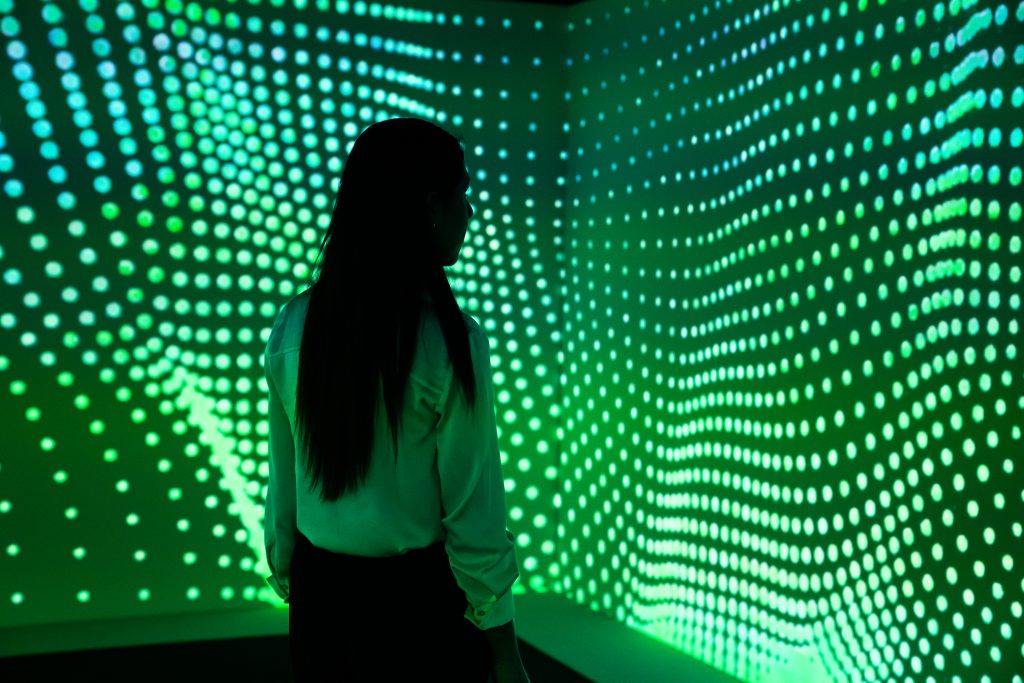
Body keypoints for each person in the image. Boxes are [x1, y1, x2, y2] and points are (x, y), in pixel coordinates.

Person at [262, 117, 532, 683]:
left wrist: (294, 578)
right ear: (431, 206)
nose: (470, 213)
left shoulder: (294, 325)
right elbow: (474, 517)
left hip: (321, 606)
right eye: (464, 195)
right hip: (418, 615)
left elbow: (283, 484)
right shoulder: (449, 341)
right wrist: (504, 651)